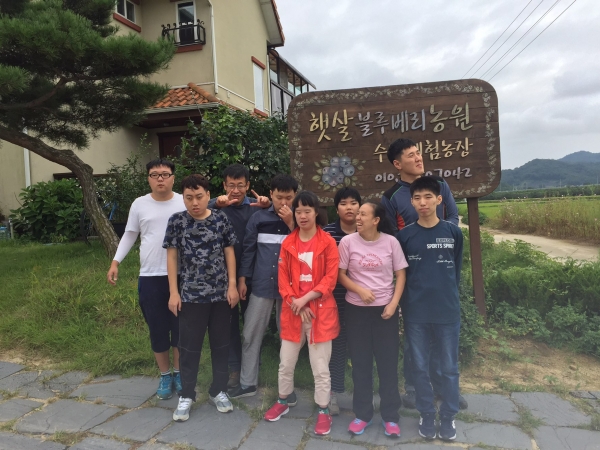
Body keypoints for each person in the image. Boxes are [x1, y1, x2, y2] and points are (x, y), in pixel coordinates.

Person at [382, 137, 467, 411]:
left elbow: (452, 219)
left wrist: (435, 236)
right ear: (397, 164)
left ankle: (445, 389)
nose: (418, 158)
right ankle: (413, 389)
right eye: (411, 155)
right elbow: (393, 238)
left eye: (418, 153)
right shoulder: (391, 196)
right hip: (413, 273)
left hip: (441, 270)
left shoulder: (440, 185)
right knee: (415, 337)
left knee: (443, 339)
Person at [106, 158, 184, 400]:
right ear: (148, 179)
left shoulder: (184, 201)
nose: (160, 178)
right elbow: (130, 234)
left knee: (180, 329)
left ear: (173, 177)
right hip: (150, 275)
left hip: (181, 275)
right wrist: (116, 262)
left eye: (165, 174)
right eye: (155, 174)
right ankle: (165, 376)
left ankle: (180, 373)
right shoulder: (140, 204)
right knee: (157, 328)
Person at [163, 174, 239, 421]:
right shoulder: (177, 221)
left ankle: (219, 390)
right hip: (190, 296)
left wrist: (232, 286)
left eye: (199, 197)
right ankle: (187, 394)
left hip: (220, 295)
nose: (194, 203)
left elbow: (229, 252)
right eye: (189, 198)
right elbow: (172, 257)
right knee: (189, 348)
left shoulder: (220, 219)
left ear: (208, 195)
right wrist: (173, 292)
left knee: (221, 345)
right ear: (183, 198)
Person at [264, 191, 339, 437]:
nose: (303, 216)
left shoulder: (327, 242)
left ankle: (323, 409)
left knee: (320, 367)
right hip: (293, 311)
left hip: (319, 312)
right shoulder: (288, 243)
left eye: (307, 211)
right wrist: (296, 302)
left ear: (316, 212)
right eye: (298, 212)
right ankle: (283, 400)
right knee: (286, 362)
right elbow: (283, 280)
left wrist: (306, 299)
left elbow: (330, 279)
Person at [397, 176, 464, 441]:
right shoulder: (405, 236)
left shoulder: (452, 232)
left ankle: (448, 416)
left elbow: (455, 271)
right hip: (416, 313)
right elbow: (401, 276)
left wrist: (450, 299)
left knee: (449, 367)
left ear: (439, 199)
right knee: (420, 367)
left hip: (447, 312)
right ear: (412, 202)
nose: (422, 202)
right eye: (417, 198)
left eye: (428, 197)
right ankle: (426, 413)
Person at [338, 202, 407, 438]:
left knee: (388, 364)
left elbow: (401, 274)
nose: (357, 217)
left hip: (385, 311)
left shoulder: (391, 242)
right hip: (356, 311)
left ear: (376, 220)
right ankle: (363, 414)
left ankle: (390, 416)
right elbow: (340, 275)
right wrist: (359, 290)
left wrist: (394, 304)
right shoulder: (347, 242)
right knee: (361, 364)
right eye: (357, 214)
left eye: (363, 214)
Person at [228, 174, 298, 400]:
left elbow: (307, 247)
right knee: (251, 333)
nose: (284, 203)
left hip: (291, 289)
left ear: (295, 196)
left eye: (289, 198)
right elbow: (248, 250)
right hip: (261, 284)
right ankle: (247, 383)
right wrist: (242, 279)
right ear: (271, 195)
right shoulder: (258, 218)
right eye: (279, 197)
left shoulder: (301, 218)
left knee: (288, 338)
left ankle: (287, 389)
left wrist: (291, 223)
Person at [208, 164, 270, 389]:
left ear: (248, 185)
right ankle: (234, 368)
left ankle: (252, 368)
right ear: (224, 185)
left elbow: (278, 210)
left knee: (253, 325)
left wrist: (268, 204)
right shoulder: (217, 207)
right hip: (223, 277)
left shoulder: (255, 207)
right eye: (231, 185)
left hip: (254, 274)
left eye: (240, 185)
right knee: (229, 325)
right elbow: (197, 208)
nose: (236, 190)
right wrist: (216, 203)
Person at [322, 187, 361, 415]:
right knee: (336, 348)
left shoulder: (368, 230)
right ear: (336, 208)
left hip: (362, 301)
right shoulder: (327, 233)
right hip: (333, 300)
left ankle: (361, 395)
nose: (349, 207)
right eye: (344, 203)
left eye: (353, 203)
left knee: (360, 348)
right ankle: (333, 393)